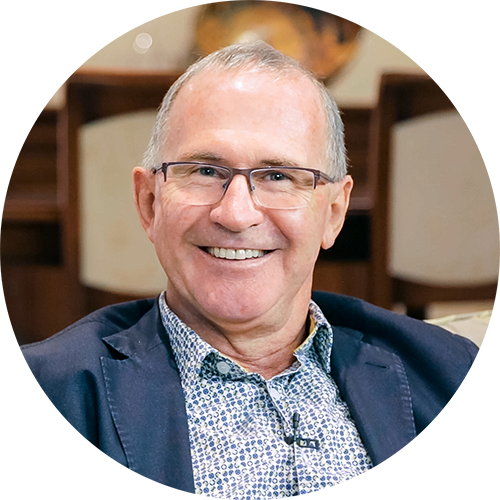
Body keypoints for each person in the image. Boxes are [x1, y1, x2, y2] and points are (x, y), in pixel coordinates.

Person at [22, 42, 477, 500]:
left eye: (278, 176)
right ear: (150, 203)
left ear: (333, 213)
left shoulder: (451, 374)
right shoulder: (46, 399)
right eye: (204, 171)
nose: (236, 214)